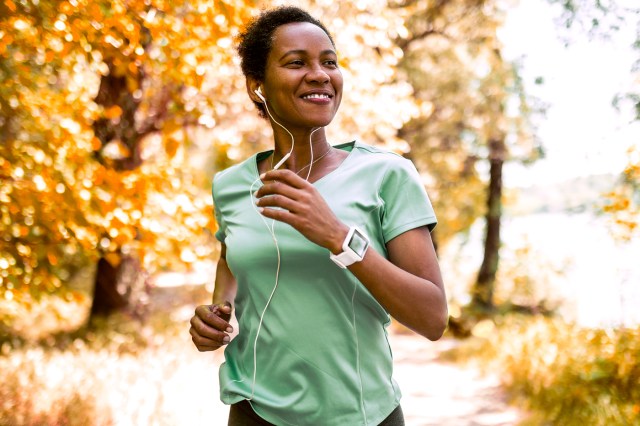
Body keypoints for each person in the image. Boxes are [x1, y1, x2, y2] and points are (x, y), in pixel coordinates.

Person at [188, 6, 448, 426]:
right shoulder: (230, 185)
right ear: (258, 87)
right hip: (252, 411)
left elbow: (433, 318)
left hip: (360, 415)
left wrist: (339, 237)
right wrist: (217, 313)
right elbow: (229, 259)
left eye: (330, 62)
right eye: (297, 63)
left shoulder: (387, 174)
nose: (320, 74)